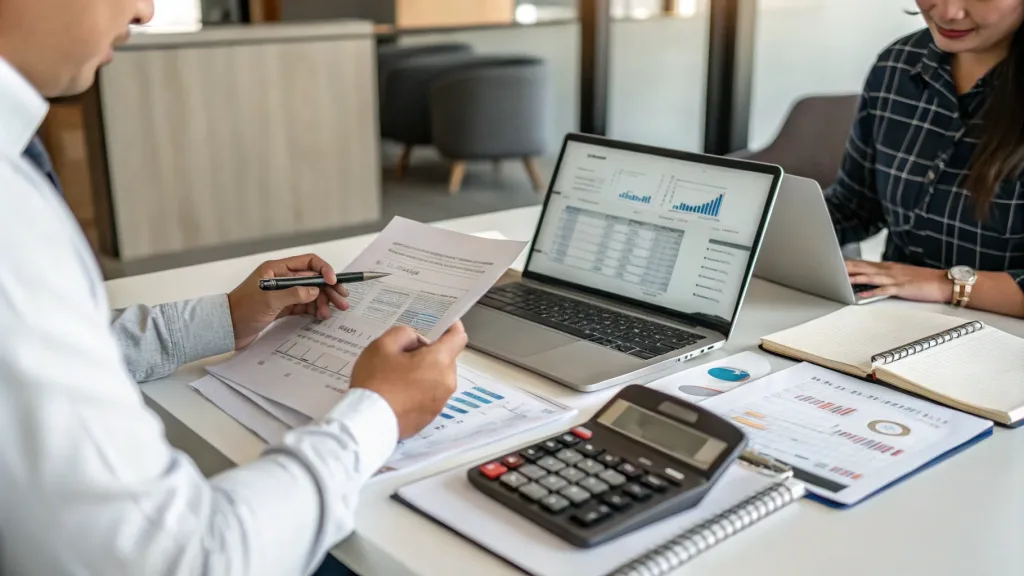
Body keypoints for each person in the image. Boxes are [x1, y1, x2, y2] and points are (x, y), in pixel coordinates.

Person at [0, 0, 467, 574]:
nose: (145, 11)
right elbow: (187, 560)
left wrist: (227, 315)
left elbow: (49, 347)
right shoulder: (11, 228)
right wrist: (381, 414)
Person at [826, 0, 1024, 318]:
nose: (947, 12)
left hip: (1003, 343)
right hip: (892, 317)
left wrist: (944, 284)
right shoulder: (898, 64)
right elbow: (855, 205)